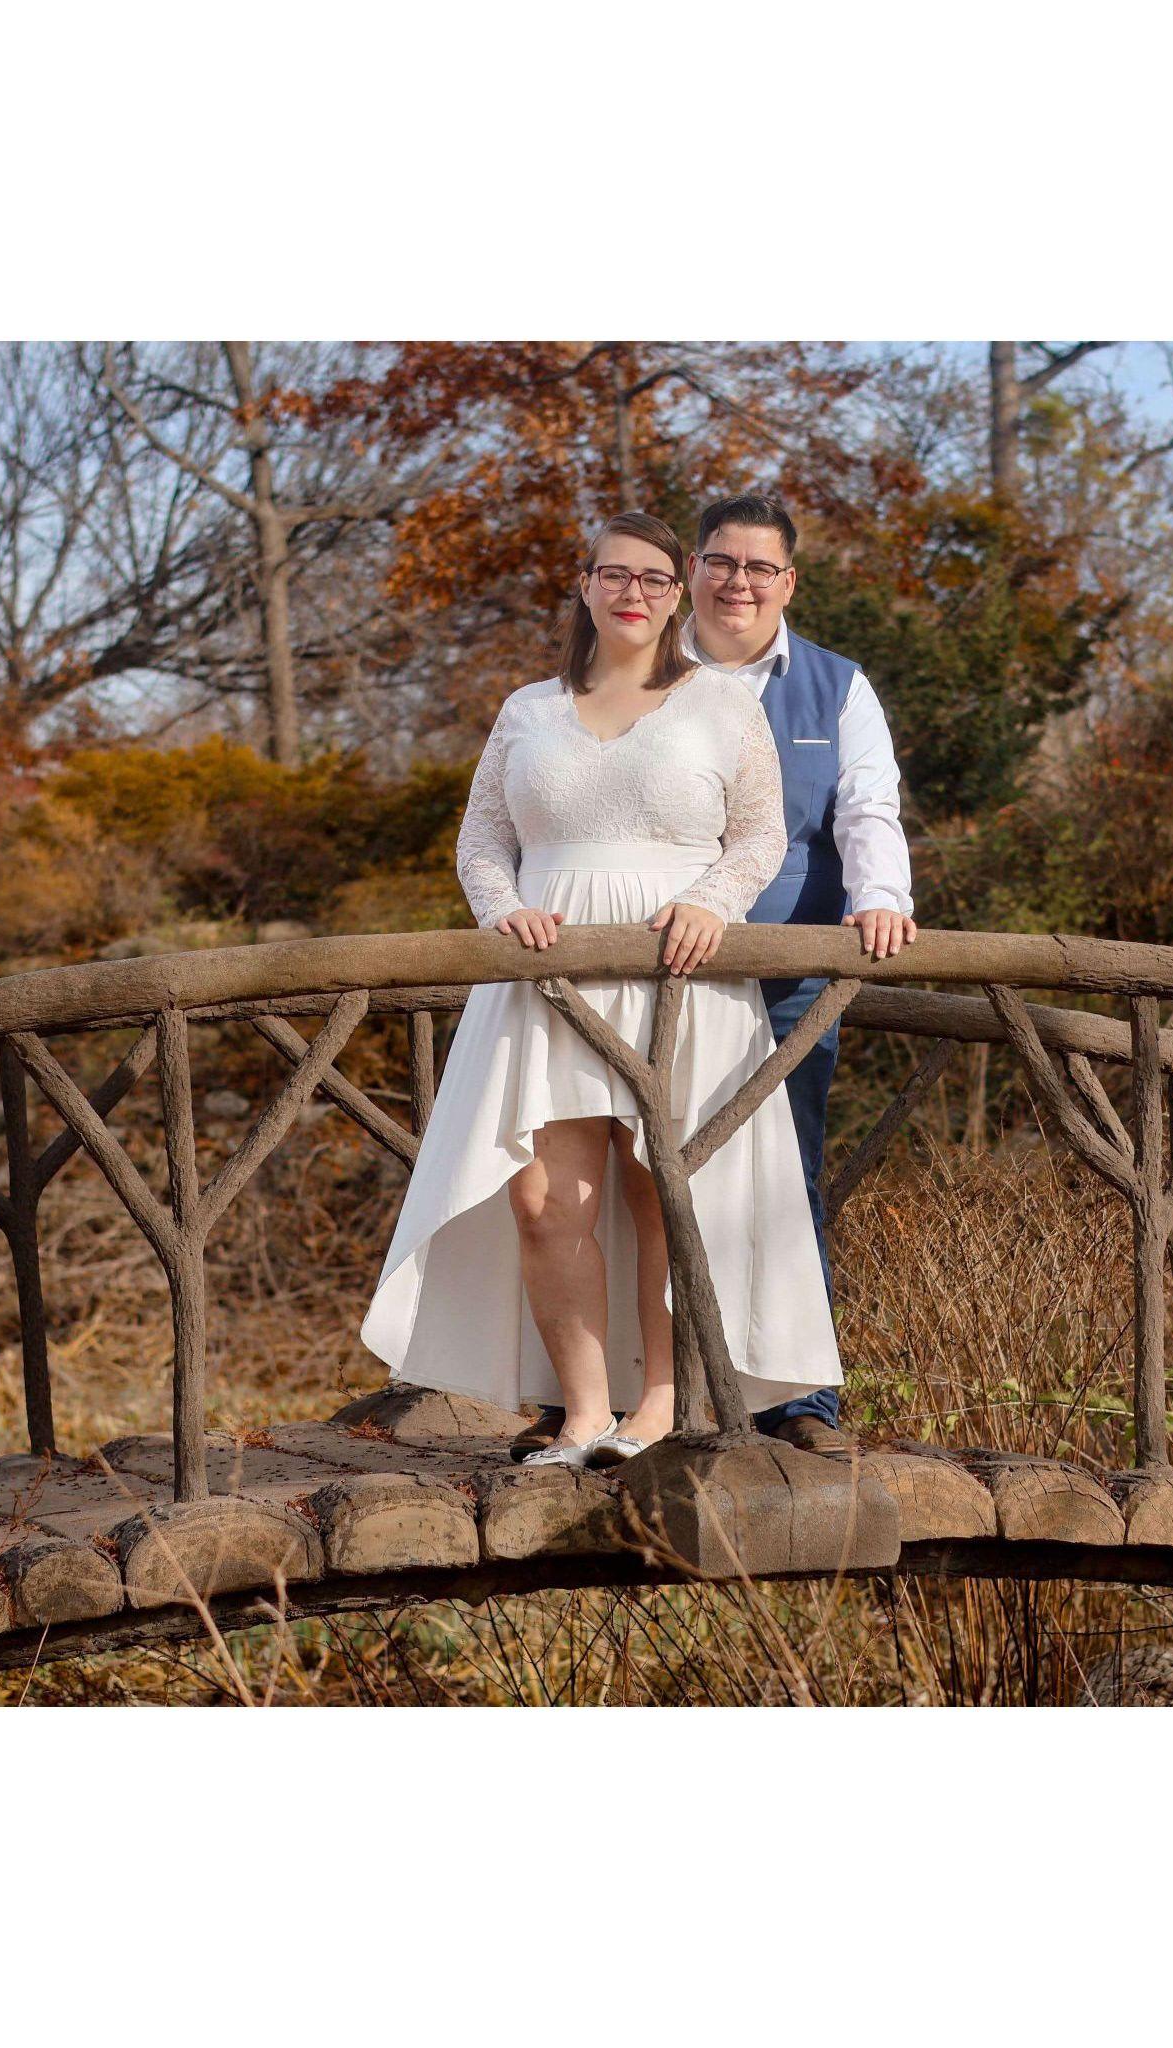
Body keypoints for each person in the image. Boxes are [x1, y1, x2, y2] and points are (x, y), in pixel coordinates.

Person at [358, 511, 843, 1468]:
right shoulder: (527, 709)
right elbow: (482, 840)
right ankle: (582, 1414)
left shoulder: (720, 705)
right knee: (545, 1201)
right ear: (584, 585)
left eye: (655, 579)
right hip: (546, 975)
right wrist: (503, 913)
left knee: (666, 1187)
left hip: (678, 973)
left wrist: (711, 903)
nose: (634, 593)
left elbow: (758, 836)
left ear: (677, 593)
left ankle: (657, 1406)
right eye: (615, 575)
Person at [678, 489, 918, 1437]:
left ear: (789, 582)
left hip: (789, 973)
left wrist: (881, 898)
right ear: (693, 569)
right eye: (721, 562)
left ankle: (799, 1400)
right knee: (638, 1175)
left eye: (759, 567)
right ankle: (635, 1395)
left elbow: (866, 807)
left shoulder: (837, 685)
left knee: (785, 1179)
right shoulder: (643, 670)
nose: (738, 582)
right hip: (659, 967)